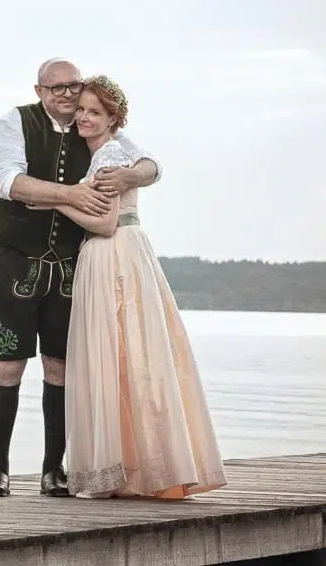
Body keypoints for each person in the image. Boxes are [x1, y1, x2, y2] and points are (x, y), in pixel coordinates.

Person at [40, 75, 227, 499]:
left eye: (95, 112)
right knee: (129, 358)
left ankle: (140, 468)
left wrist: (57, 200)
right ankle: (139, 467)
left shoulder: (109, 155)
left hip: (113, 253)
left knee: (124, 356)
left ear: (113, 120)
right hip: (118, 252)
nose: (85, 118)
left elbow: (105, 222)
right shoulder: (106, 151)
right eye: (82, 110)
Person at [0, 58, 161, 497]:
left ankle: (52, 470)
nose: (65, 94)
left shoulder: (94, 130)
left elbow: (150, 166)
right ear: (39, 90)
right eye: (55, 87)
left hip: (71, 263)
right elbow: (6, 181)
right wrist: (70, 194)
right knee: (8, 362)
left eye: (72, 86)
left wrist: (131, 175)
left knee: (59, 365)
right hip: (16, 257)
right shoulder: (16, 122)